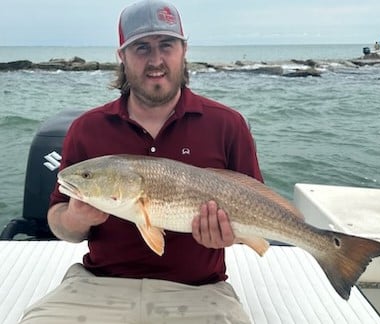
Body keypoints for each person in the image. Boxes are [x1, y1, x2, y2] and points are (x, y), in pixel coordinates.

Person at [19, 1, 262, 323]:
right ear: (122, 56)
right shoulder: (87, 128)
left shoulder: (228, 124)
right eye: (141, 48)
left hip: (200, 290)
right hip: (98, 284)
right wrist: (76, 219)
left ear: (183, 49)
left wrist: (232, 235)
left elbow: (255, 206)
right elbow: (59, 222)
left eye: (166, 45)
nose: (156, 59)